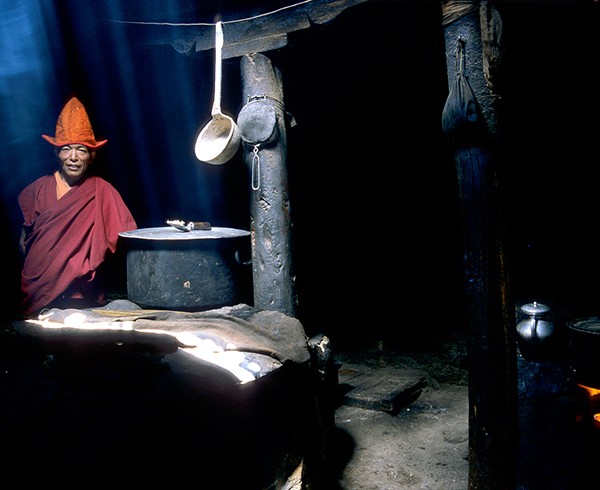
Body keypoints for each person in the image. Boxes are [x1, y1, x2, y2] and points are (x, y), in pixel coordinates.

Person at [18, 96, 137, 317]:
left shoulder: (102, 191)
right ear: (56, 153)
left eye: (81, 150)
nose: (73, 157)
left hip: (83, 297)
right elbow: (24, 242)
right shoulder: (37, 190)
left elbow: (127, 238)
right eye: (66, 149)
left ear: (91, 157)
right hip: (39, 290)